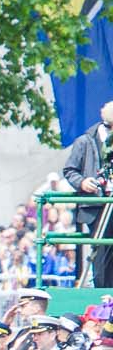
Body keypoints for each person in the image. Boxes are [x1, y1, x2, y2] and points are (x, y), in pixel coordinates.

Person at [62, 99, 113, 288]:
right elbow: (69, 170)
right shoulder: (85, 141)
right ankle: (103, 296)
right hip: (96, 206)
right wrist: (83, 182)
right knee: (101, 253)